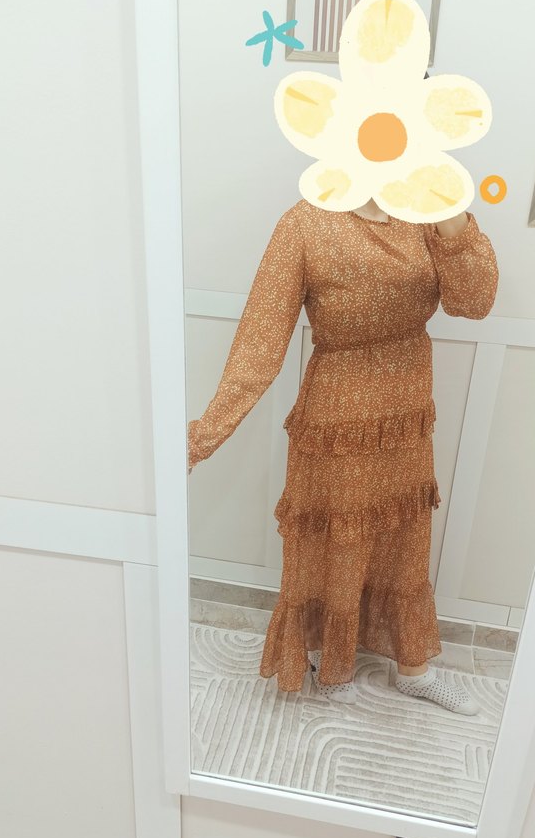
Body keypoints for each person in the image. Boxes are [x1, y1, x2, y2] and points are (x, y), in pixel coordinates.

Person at [188, 195, 499, 714]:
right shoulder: (304, 222)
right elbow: (260, 341)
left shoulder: (425, 211)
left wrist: (450, 208)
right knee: (340, 536)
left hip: (404, 408)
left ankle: (414, 670)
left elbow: (475, 301)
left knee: (404, 537)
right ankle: (331, 661)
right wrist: (203, 436)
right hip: (337, 412)